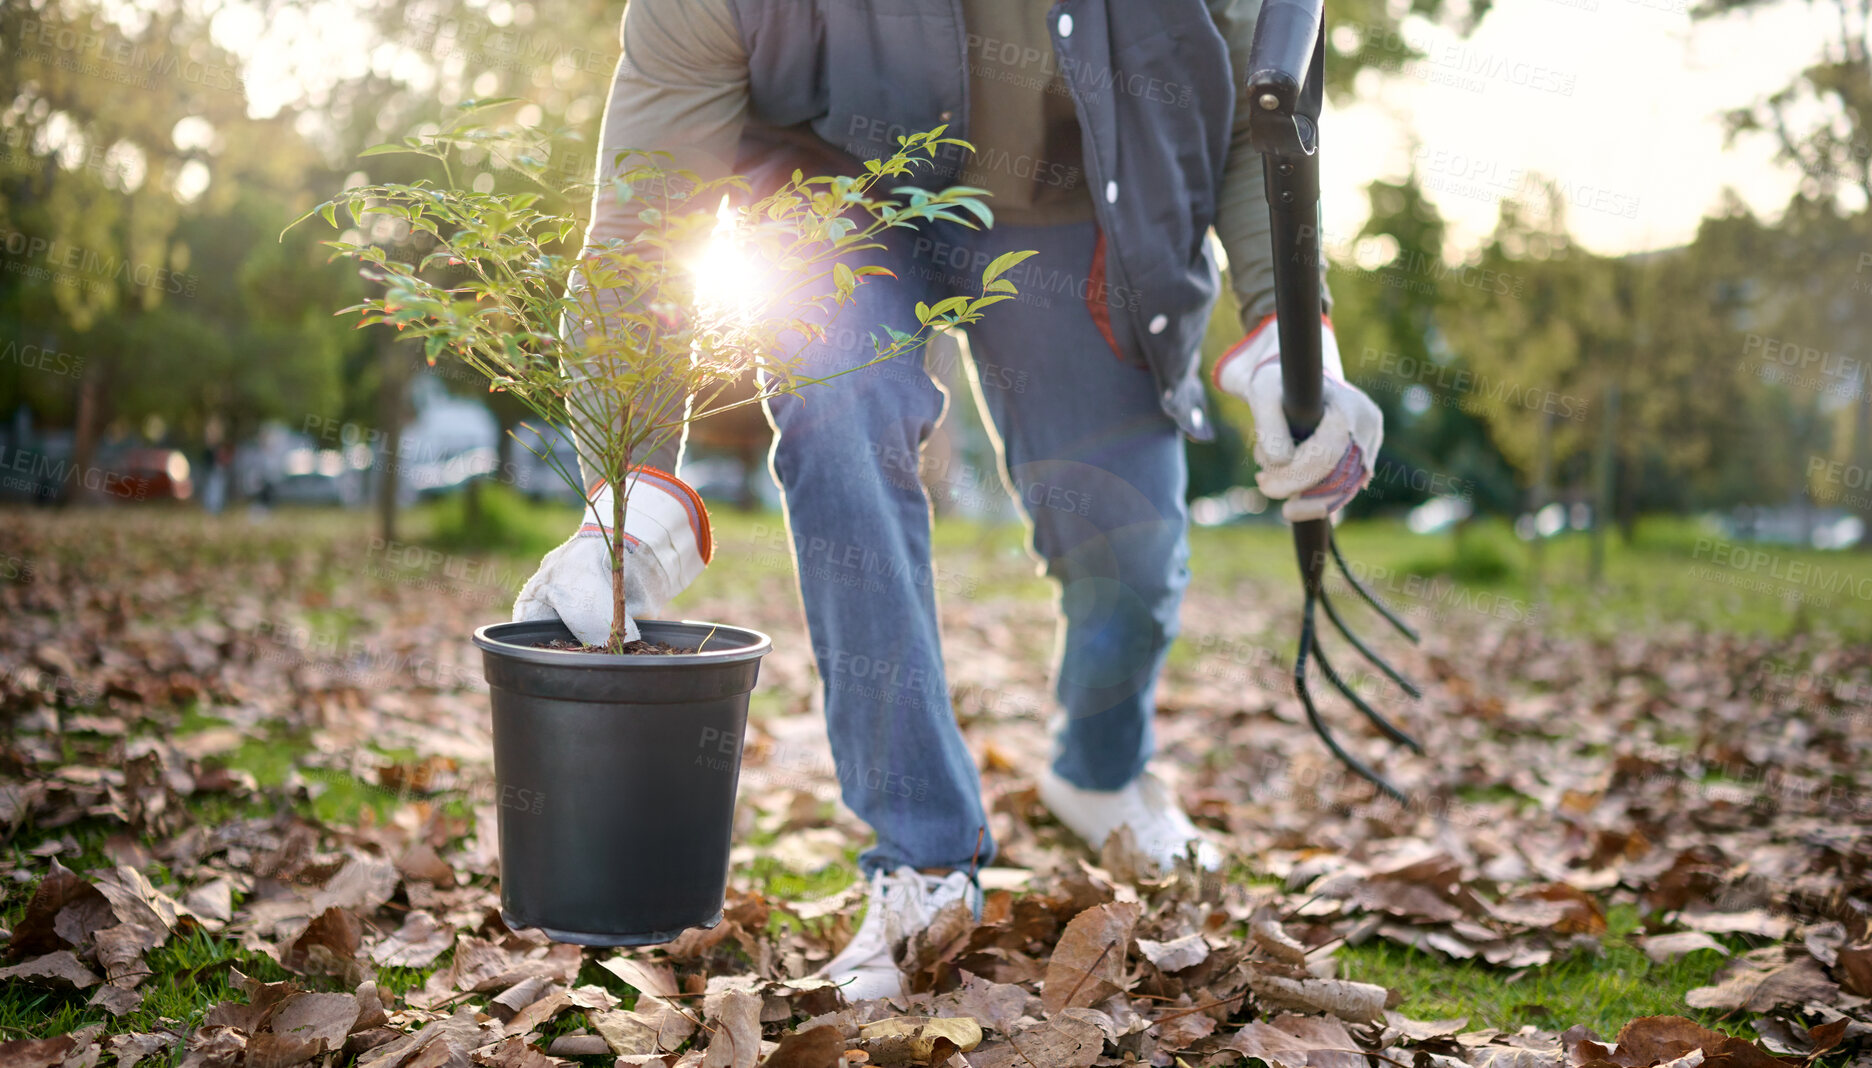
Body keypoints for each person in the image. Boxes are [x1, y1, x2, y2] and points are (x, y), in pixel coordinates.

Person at [512, 0, 1384, 999]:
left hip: (1074, 203)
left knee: (1126, 548)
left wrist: (1285, 331)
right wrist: (631, 487)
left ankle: (1101, 771)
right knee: (838, 403)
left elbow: (1243, 105)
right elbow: (642, 217)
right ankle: (923, 861)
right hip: (840, 194)